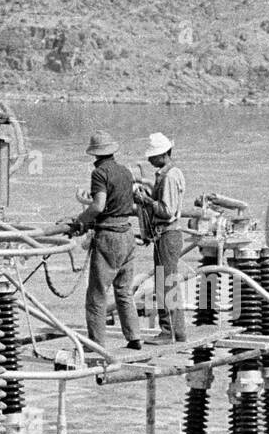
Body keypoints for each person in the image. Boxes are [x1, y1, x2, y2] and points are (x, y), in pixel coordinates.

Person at [63, 130, 143, 350]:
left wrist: (80, 221)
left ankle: (96, 344)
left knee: (97, 294)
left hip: (109, 237)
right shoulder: (126, 172)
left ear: (95, 154)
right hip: (127, 234)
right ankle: (135, 337)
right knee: (124, 291)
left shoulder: (99, 173)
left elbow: (98, 206)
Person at [135, 132, 188, 343]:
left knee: (165, 284)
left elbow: (167, 210)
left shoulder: (169, 176)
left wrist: (146, 201)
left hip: (168, 235)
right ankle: (178, 331)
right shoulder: (170, 174)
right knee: (168, 283)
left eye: (152, 156)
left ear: (163, 155)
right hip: (167, 236)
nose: (149, 160)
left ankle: (168, 332)